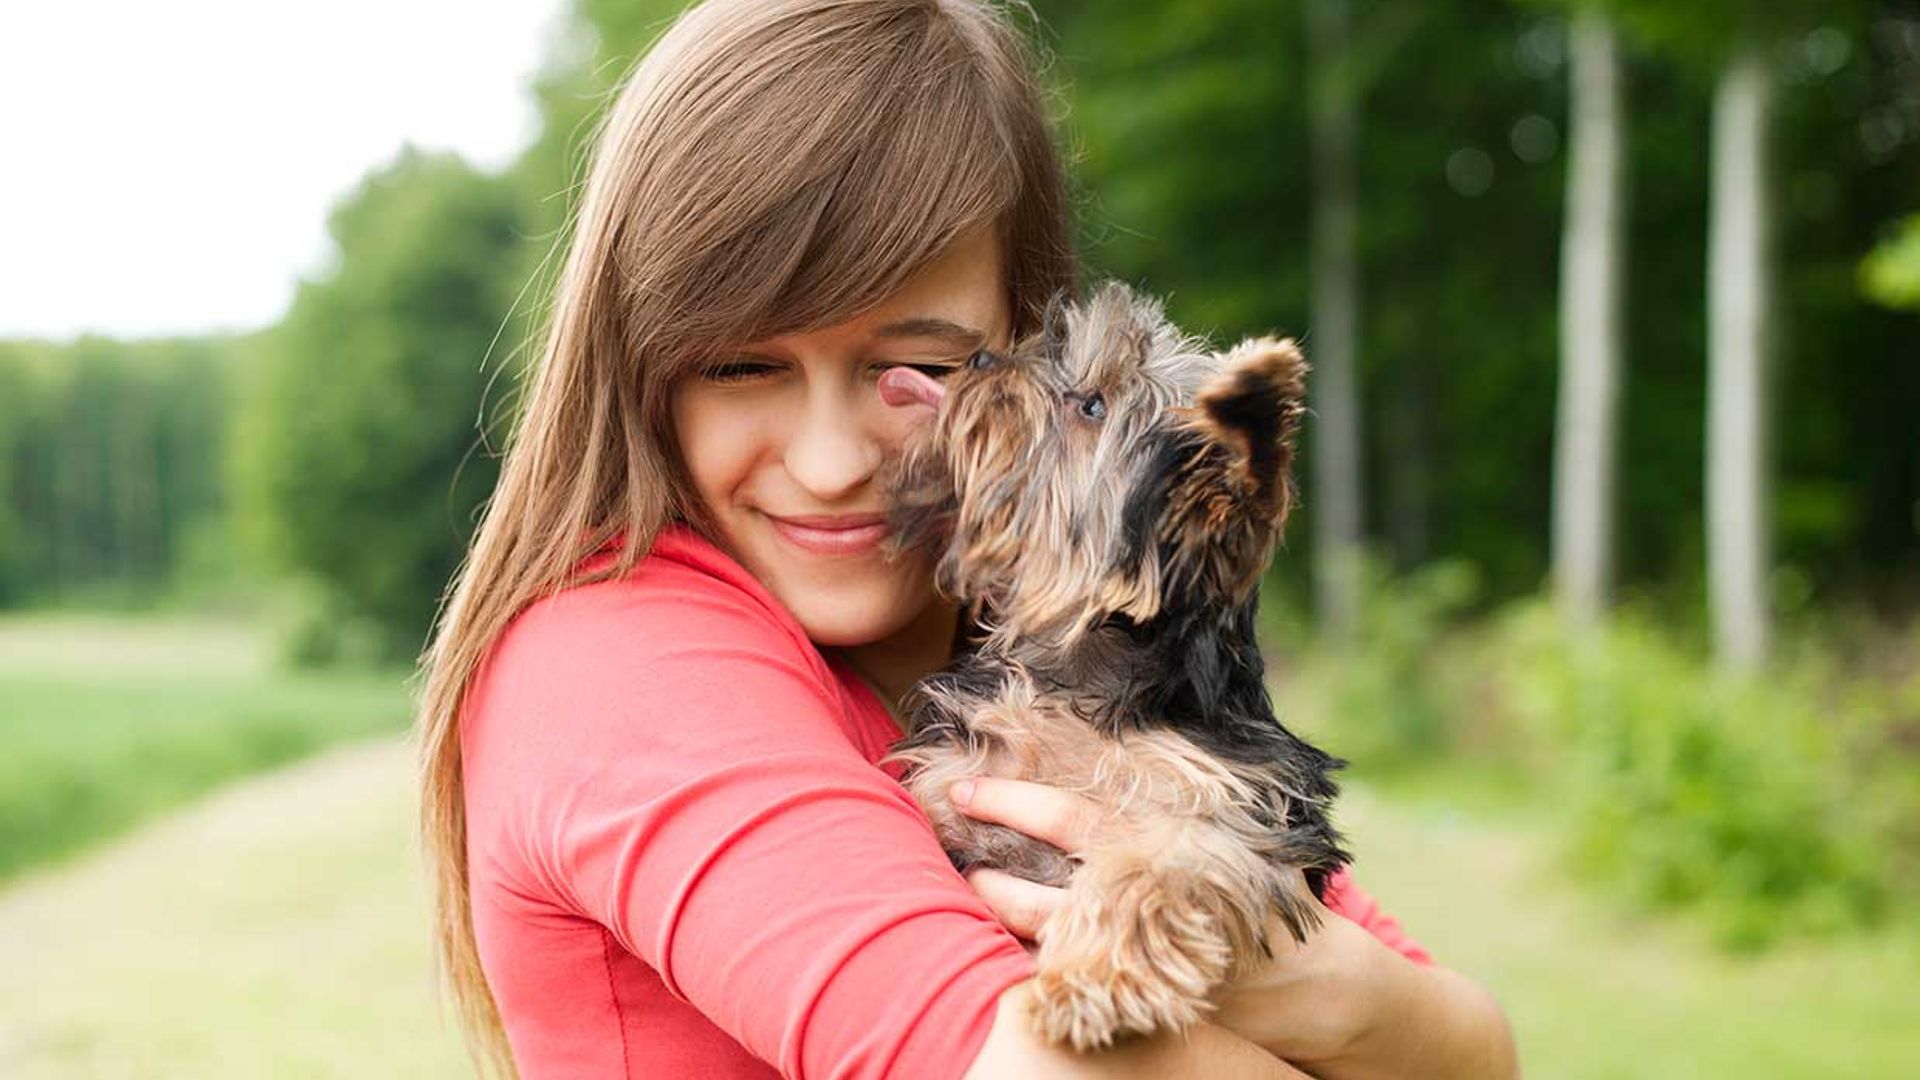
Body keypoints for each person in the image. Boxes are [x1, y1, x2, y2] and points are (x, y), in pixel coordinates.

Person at [414, 1, 1519, 1077]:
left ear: (1025, 352)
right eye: (741, 366)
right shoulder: (614, 667)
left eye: (918, 371)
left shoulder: (1062, 669)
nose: (832, 461)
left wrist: (1326, 986)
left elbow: (1479, 1050)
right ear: (641, 369)